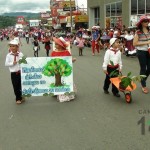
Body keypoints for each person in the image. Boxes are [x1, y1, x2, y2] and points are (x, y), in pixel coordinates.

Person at [51, 37, 76, 102]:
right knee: (57, 81)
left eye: (57, 44)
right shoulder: (53, 52)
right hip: (56, 70)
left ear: (61, 45)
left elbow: (69, 60)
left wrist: (72, 60)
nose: (55, 45)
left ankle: (64, 93)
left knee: (64, 81)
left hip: (64, 70)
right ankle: (56, 92)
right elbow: (51, 60)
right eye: (55, 44)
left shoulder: (66, 52)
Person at [133, 15, 150, 94]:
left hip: (149, 51)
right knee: (143, 68)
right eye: (145, 21)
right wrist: (146, 42)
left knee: (149, 68)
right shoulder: (138, 32)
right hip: (141, 52)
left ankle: (142, 79)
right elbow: (134, 43)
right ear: (141, 23)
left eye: (147, 21)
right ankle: (143, 85)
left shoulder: (149, 30)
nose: (147, 22)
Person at [5, 40, 25, 104]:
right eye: (11, 46)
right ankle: (18, 98)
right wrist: (12, 63)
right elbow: (6, 64)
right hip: (14, 73)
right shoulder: (8, 55)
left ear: (17, 47)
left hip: (21, 72)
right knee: (15, 86)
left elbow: (24, 61)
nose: (12, 48)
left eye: (14, 46)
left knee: (21, 85)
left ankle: (21, 96)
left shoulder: (21, 54)